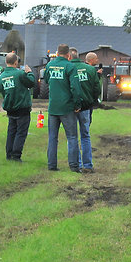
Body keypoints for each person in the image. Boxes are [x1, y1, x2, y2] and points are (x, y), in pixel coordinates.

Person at [45, 44, 82, 172]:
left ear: (57, 52)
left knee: (52, 137)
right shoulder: (70, 66)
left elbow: (46, 79)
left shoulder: (49, 65)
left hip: (53, 107)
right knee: (72, 137)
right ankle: (74, 166)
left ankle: (52, 165)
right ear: (68, 55)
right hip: (67, 107)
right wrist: (77, 104)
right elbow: (75, 88)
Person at [0, 53, 35, 162]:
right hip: (22, 107)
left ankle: (9, 154)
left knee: (11, 132)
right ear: (16, 62)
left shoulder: (1, 77)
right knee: (21, 132)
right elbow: (31, 82)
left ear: (5, 62)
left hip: (10, 108)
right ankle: (16, 155)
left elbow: (2, 90)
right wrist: (30, 72)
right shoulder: (20, 74)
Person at [70, 48, 101, 173]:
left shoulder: (68, 68)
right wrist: (92, 101)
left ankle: (75, 163)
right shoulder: (90, 70)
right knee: (85, 135)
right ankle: (87, 164)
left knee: (72, 136)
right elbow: (97, 88)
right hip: (86, 107)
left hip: (71, 107)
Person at [85, 52, 102, 124]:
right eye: (96, 58)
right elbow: (94, 84)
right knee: (87, 119)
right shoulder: (90, 69)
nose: (97, 60)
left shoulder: (83, 68)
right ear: (91, 60)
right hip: (88, 99)